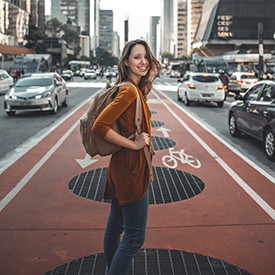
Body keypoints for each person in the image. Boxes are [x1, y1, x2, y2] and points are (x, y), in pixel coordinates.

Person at [92, 39, 161, 275]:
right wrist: (134, 144)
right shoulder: (129, 90)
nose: (143, 62)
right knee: (134, 238)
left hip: (120, 168)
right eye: (136, 57)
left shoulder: (131, 88)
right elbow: (99, 126)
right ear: (126, 62)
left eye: (146, 57)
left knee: (115, 229)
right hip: (132, 170)